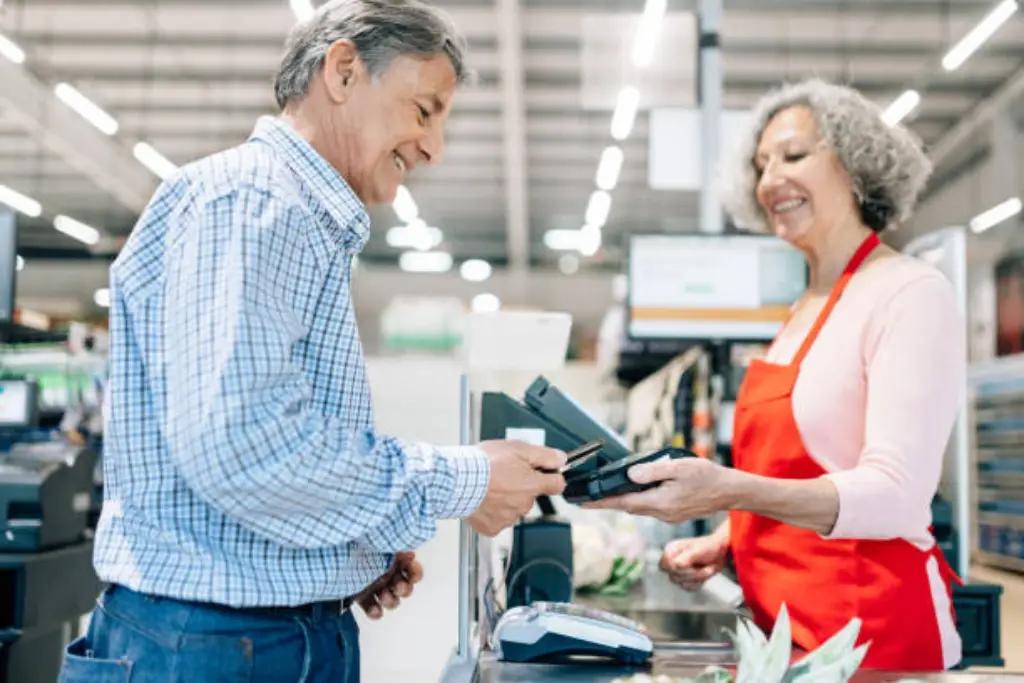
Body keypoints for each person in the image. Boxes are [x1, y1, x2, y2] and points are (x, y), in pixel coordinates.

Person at [57, 2, 567, 682]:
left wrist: (343, 549)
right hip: (214, 647)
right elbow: (244, 446)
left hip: (247, 635)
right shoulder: (253, 202)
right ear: (344, 70)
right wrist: (466, 477)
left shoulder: (295, 218)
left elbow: (252, 451)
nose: (434, 147)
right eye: (423, 110)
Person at [586, 78, 965, 672]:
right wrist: (731, 539)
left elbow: (896, 495)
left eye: (793, 155)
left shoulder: (909, 292)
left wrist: (730, 490)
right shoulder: (802, 309)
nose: (768, 181)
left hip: (871, 640)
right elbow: (807, 469)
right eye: (761, 165)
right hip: (782, 635)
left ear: (857, 162)